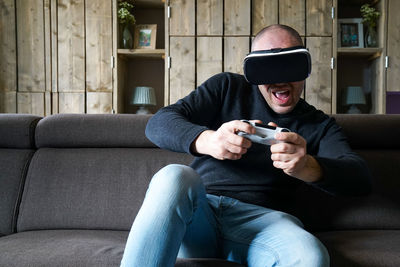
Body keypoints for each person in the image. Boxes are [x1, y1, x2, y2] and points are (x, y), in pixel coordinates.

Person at [120, 24, 372, 267]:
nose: (280, 79)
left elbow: (360, 178)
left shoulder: (319, 124)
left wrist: (307, 166)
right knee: (173, 176)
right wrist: (210, 140)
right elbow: (158, 123)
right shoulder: (227, 87)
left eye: (289, 65)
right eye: (268, 67)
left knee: (311, 257)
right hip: (199, 215)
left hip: (264, 227)